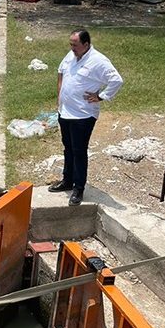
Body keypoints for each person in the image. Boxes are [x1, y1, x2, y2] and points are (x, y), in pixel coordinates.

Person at [49, 30, 123, 205]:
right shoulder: (71, 55)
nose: (71, 47)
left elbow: (116, 80)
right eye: (71, 44)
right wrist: (60, 96)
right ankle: (67, 180)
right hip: (65, 111)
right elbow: (61, 71)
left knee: (79, 151)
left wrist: (101, 96)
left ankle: (79, 188)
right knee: (68, 148)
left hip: (82, 115)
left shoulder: (99, 61)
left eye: (75, 45)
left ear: (86, 45)